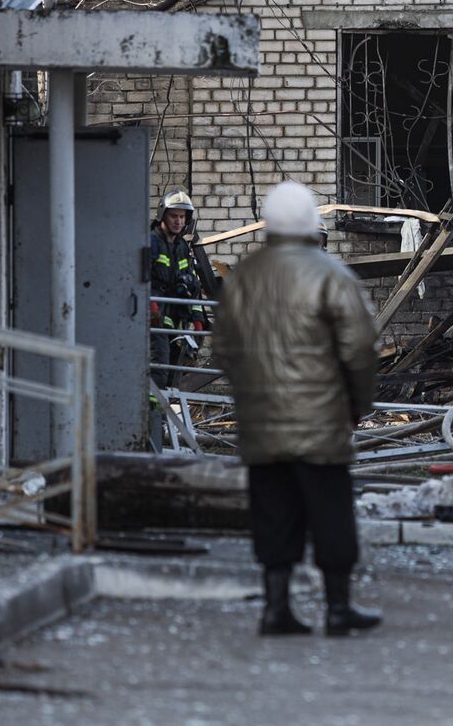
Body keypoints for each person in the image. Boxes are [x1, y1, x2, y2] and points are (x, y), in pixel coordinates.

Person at [214, 181, 382, 638]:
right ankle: (338, 607)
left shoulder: (244, 276)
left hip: (260, 422)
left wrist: (249, 395)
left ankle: (275, 606)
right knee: (329, 512)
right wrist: (357, 405)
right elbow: (360, 348)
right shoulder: (331, 275)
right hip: (321, 422)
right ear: (312, 222)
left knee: (273, 509)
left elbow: (223, 350)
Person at [149, 190, 207, 393]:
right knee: (159, 366)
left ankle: (164, 419)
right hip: (155, 318)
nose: (178, 221)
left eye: (182, 217)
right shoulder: (151, 243)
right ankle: (152, 419)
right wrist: (152, 308)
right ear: (162, 215)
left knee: (174, 372)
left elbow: (193, 286)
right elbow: (141, 279)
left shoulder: (182, 247)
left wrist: (198, 319)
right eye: (174, 216)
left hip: (177, 317)